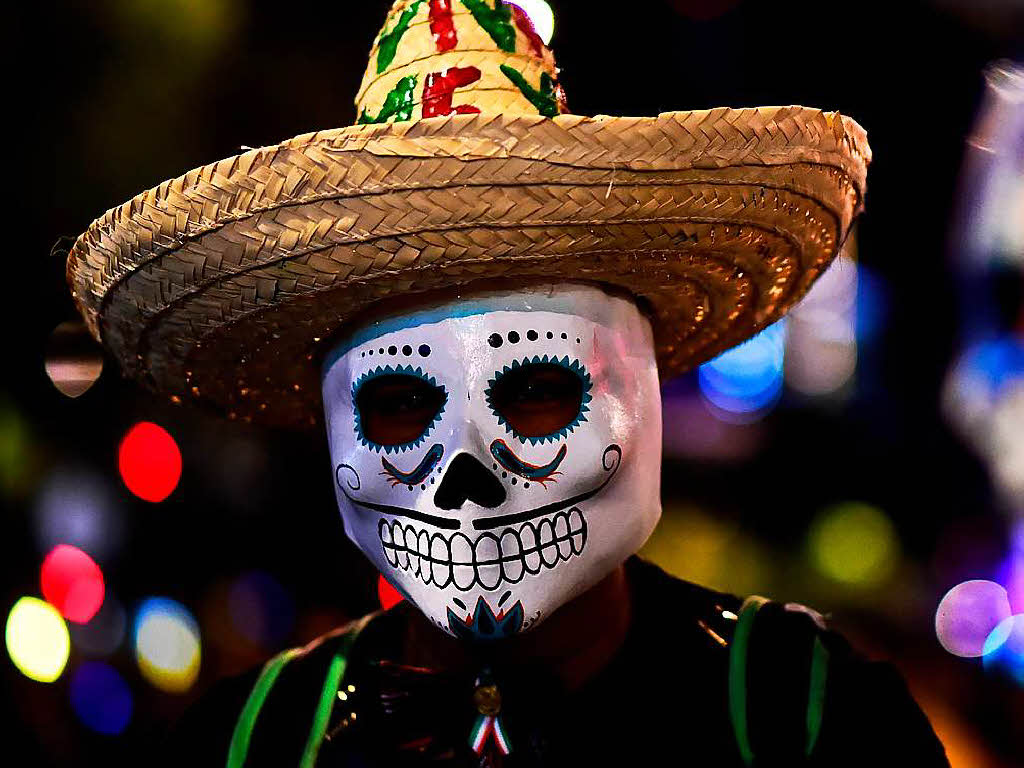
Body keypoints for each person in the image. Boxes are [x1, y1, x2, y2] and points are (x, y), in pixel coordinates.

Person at [66, 2, 948, 765]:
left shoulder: (807, 714)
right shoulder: (253, 742)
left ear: (633, 389)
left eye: (534, 387)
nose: (468, 475)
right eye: (401, 403)